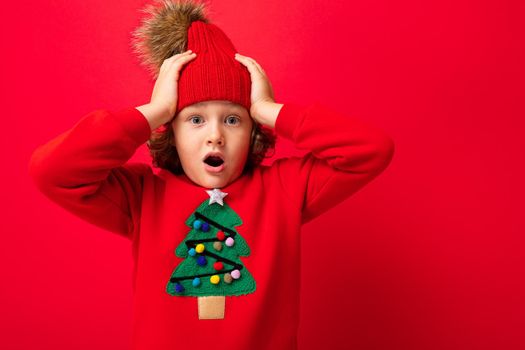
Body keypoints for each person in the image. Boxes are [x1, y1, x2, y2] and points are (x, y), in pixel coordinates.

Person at [28, 0, 395, 349]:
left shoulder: (285, 188)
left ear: (253, 130)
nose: (215, 134)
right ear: (171, 131)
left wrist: (271, 110)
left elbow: (370, 151)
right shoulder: (140, 196)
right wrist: (153, 112)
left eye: (233, 119)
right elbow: (52, 170)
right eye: (195, 119)